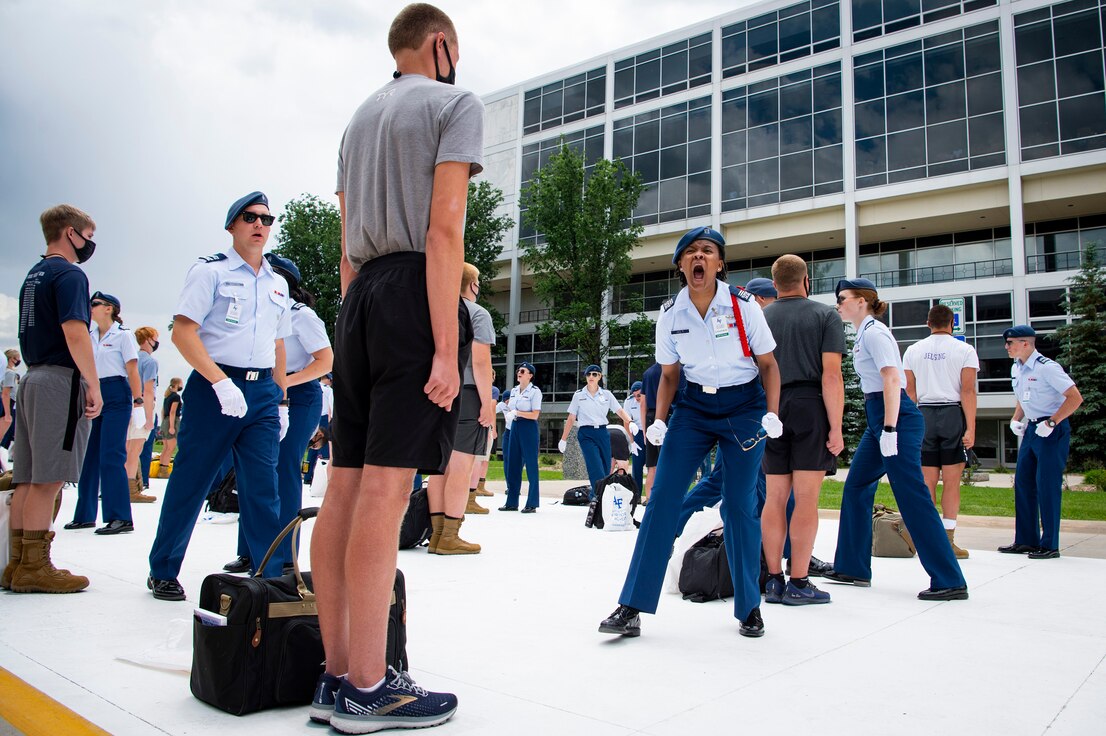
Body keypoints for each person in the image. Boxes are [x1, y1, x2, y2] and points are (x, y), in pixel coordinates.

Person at [310, 5, 483, 731]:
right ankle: (370, 687)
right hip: (413, 290)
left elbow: (349, 244)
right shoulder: (454, 103)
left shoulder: (357, 119)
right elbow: (447, 228)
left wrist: (357, 328)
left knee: (343, 491)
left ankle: (337, 675)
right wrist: (446, 345)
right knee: (386, 491)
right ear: (440, 44)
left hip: (359, 300)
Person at [599, 225, 782, 640]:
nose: (699, 257)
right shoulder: (670, 314)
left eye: (708, 251)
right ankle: (631, 605)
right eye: (691, 252)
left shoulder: (743, 306)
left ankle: (749, 606)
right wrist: (659, 419)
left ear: (720, 263)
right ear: (681, 265)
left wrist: (771, 413)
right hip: (695, 408)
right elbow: (668, 374)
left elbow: (769, 365)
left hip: (745, 407)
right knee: (662, 499)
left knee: (738, 505)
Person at [147, 191, 292, 602]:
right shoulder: (210, 271)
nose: (259, 225)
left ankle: (268, 573)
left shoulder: (278, 283)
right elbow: (183, 332)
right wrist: (219, 382)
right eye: (249, 217)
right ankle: (163, 569)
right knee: (192, 480)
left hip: (262, 390)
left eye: (266, 218)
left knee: (264, 486)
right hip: (216, 386)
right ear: (232, 226)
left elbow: (277, 345)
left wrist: (279, 399)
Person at [824, 278, 968, 600]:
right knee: (857, 486)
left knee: (912, 495)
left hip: (895, 417)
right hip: (880, 416)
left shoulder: (875, 333)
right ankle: (852, 567)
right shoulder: (863, 333)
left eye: (843, 298)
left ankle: (949, 579)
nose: (839, 303)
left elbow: (892, 378)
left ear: (862, 301)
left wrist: (890, 429)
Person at [3, 204, 100, 594]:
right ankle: (36, 567)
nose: (90, 244)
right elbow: (75, 332)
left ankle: (17, 563)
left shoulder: (34, 274)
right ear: (71, 232)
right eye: (88, 237)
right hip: (59, 380)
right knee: (49, 479)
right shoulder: (70, 274)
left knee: (27, 477)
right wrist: (93, 384)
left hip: (33, 377)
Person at [223, 253, 332, 573]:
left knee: (283, 467)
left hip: (300, 395)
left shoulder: (303, 315)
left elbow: (325, 362)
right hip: (262, 392)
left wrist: (283, 382)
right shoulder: (255, 314)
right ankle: (251, 551)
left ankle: (284, 555)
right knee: (254, 470)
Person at [759, 255, 845, 606]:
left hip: (771, 407)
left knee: (775, 496)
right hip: (810, 405)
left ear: (774, 283)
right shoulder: (825, 315)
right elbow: (831, 375)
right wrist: (836, 427)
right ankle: (799, 580)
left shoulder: (761, 318)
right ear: (806, 280)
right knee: (806, 498)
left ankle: (774, 581)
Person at [426, 262, 495, 554]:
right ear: (473, 285)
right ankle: (451, 535)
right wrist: (488, 404)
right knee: (461, 465)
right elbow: (479, 362)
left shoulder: (435, 309)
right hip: (466, 393)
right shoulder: (477, 313)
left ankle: (437, 534)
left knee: (438, 467)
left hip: (434, 392)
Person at [999, 325, 1083, 559]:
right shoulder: (1018, 367)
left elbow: (1075, 398)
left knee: (1046, 485)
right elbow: (1023, 396)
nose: (1006, 347)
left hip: (1051, 429)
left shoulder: (1048, 368)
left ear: (1025, 343)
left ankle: (1049, 545)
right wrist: (1017, 418)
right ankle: (1026, 540)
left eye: (1010, 343)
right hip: (1032, 428)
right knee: (1024, 483)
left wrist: (1053, 422)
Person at [903, 305, 979, 559]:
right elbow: (967, 391)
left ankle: (925, 539)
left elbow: (910, 393)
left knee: (927, 482)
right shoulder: (965, 350)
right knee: (952, 481)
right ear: (952, 324)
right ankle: (948, 541)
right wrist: (970, 428)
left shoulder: (913, 350)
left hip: (923, 415)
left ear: (928, 323)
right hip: (951, 415)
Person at [66, 292, 142, 535]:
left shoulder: (123, 335)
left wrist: (138, 402)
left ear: (109, 309)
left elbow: (132, 370)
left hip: (117, 393)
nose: (90, 307)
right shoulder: (88, 335)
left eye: (95, 304)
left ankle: (120, 517)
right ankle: (84, 515)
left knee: (111, 454)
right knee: (90, 457)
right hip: (93, 391)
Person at [558, 365, 637, 500]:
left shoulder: (606, 395)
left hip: (602, 432)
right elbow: (571, 417)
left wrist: (630, 422)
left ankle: (600, 495)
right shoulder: (579, 396)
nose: (591, 377)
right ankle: (598, 497)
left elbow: (619, 411)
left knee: (606, 468)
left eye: (594, 374)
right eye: (589, 375)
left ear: (600, 376)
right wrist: (563, 439)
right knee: (595, 465)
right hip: (586, 433)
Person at [500, 362, 542, 512]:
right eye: (518, 370)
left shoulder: (535, 391)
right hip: (515, 426)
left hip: (528, 427)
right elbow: (511, 407)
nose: (519, 372)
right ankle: (511, 502)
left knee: (531, 465)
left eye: (523, 371)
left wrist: (518, 413)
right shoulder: (514, 391)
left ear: (530, 375)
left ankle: (532, 503)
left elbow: (535, 414)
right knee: (513, 464)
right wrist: (513, 414)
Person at [125, 326, 159, 504]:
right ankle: (131, 490)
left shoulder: (132, 359)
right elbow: (148, 390)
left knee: (126, 449)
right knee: (135, 451)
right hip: (141, 406)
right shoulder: (150, 362)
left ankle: (121, 486)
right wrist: (149, 416)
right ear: (148, 340)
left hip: (126, 406)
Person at [303, 373, 333, 485]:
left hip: (313, 416)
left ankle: (307, 475)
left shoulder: (314, 387)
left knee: (311, 449)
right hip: (325, 418)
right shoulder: (327, 390)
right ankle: (320, 479)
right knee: (324, 451)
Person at [0, 349, 21, 467]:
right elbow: (6, 394)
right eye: (17, 358)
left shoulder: (4, 372)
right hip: (8, 405)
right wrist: (8, 414)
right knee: (3, 438)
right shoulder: (10, 374)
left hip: (7, 404)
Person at [624, 380, 645, 490]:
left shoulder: (651, 398)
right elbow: (626, 421)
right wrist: (632, 441)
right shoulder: (629, 402)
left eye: (639, 395)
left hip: (651, 432)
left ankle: (651, 497)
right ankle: (636, 494)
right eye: (634, 395)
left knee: (654, 466)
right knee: (637, 466)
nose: (637, 398)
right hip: (638, 434)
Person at [158, 377, 183, 468]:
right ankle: (164, 468)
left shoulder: (167, 396)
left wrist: (163, 424)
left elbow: (163, 411)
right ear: (177, 384)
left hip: (165, 421)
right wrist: (172, 426)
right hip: (172, 421)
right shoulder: (176, 396)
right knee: (170, 448)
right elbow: (172, 412)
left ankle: (161, 467)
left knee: (165, 448)